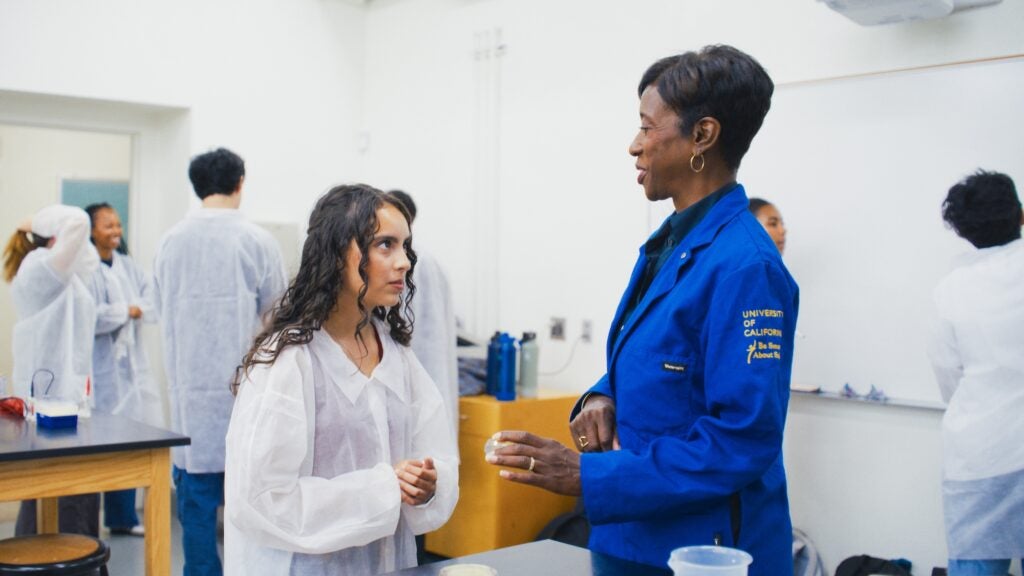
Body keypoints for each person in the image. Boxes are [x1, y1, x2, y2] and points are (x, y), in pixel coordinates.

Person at [485, 45, 799, 575]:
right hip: (632, 536)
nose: (634, 146)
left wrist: (586, 477)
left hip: (703, 550)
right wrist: (602, 395)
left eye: (647, 128)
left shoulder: (747, 267)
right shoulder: (671, 244)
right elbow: (662, 359)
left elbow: (742, 439)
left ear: (703, 135)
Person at [223, 184, 458, 576]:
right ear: (336, 254)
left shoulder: (395, 354)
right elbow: (261, 499)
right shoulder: (290, 361)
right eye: (385, 245)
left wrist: (429, 484)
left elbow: (436, 452)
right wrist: (385, 488)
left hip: (387, 564)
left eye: (405, 247)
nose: (403, 262)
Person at [154, 147, 287, 576]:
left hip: (189, 400)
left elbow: (159, 308)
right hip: (247, 396)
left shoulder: (170, 242)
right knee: (251, 511)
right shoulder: (256, 241)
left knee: (195, 508)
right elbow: (279, 318)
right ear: (240, 184)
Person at [928, 170, 1024, 576]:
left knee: (976, 569)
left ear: (962, 231)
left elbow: (949, 374)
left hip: (981, 456)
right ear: (1020, 215)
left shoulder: (951, 289)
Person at [4, 204, 100, 537]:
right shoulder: (40, 269)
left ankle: (83, 561)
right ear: (55, 237)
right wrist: (37, 220)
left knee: (78, 489)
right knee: (57, 493)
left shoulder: (63, 270)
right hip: (49, 401)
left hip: (66, 398)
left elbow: (86, 254)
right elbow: (79, 221)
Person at [85, 202, 161, 537]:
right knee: (99, 444)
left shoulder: (129, 267)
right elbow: (91, 316)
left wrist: (128, 310)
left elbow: (151, 303)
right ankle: (90, 518)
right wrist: (126, 311)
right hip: (99, 369)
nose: (116, 231)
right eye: (107, 226)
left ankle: (122, 517)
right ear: (90, 231)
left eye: (118, 225)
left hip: (131, 370)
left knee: (128, 440)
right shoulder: (84, 270)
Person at [386, 190, 458, 433]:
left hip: (421, 363)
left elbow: (423, 326)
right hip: (419, 365)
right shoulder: (423, 260)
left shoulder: (418, 261)